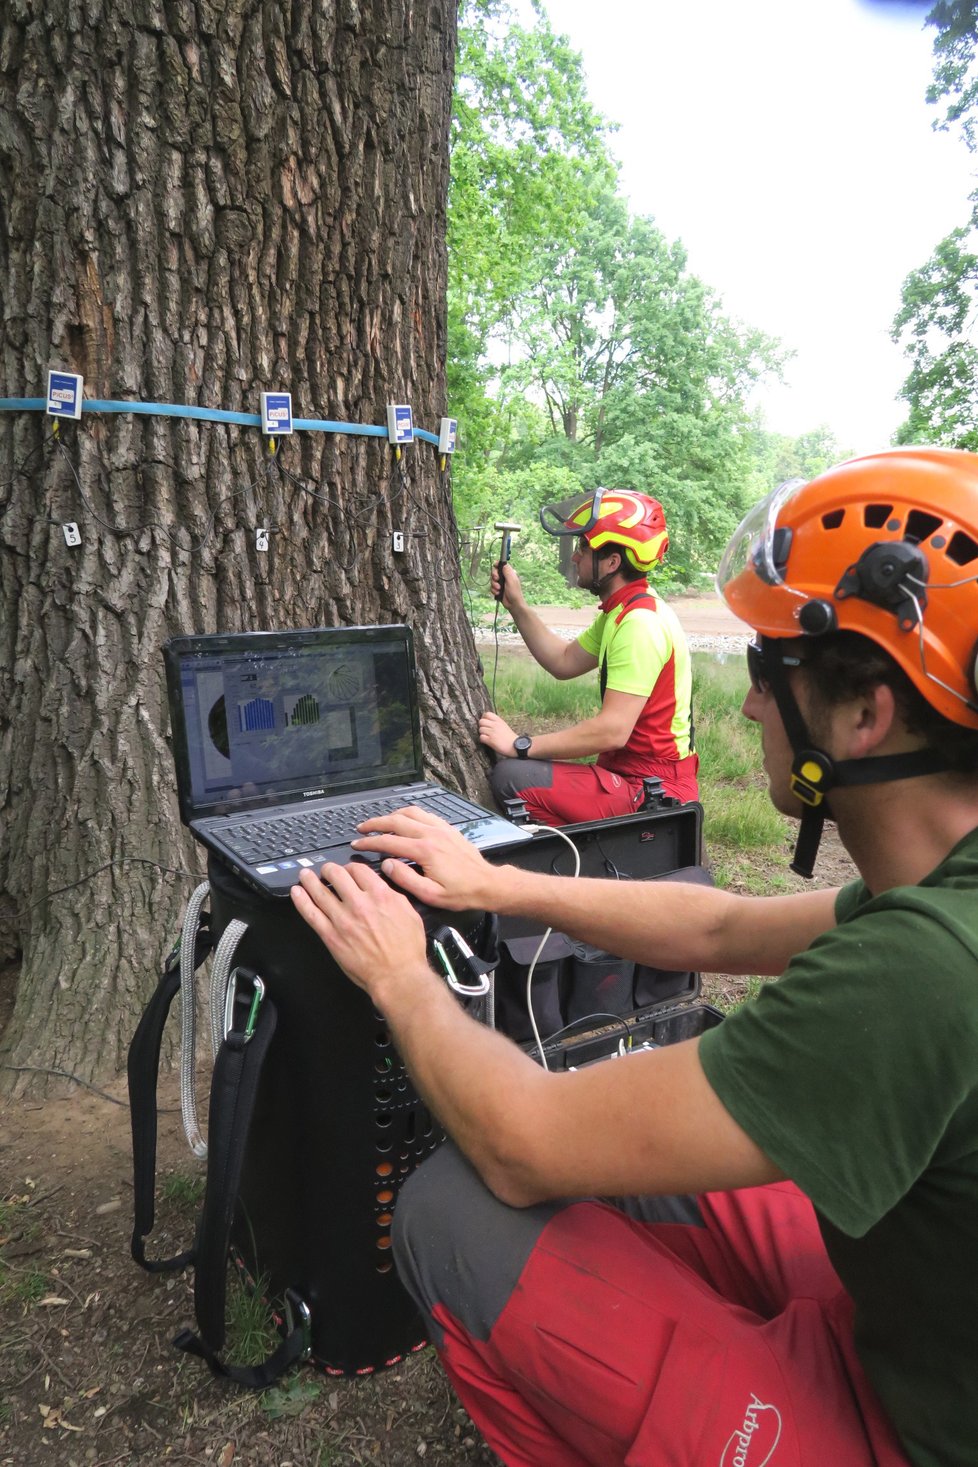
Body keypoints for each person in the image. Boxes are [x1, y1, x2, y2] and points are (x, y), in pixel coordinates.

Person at [292, 446, 978, 1466]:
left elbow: (523, 1141)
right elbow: (719, 929)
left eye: (765, 669)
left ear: (866, 713)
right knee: (632, 1149)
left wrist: (400, 977)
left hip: (922, 1433)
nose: (748, 707)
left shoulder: (922, 977)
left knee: (450, 1200)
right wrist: (496, 884)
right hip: (917, 1332)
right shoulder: (938, 893)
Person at [479, 488, 698, 825]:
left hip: (651, 791)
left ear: (611, 563)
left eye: (583, 547)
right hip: (632, 776)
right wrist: (517, 606)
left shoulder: (640, 624)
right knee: (518, 773)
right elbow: (564, 661)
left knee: (512, 778)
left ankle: (595, 867)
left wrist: (520, 744)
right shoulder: (623, 610)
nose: (575, 557)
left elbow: (611, 731)